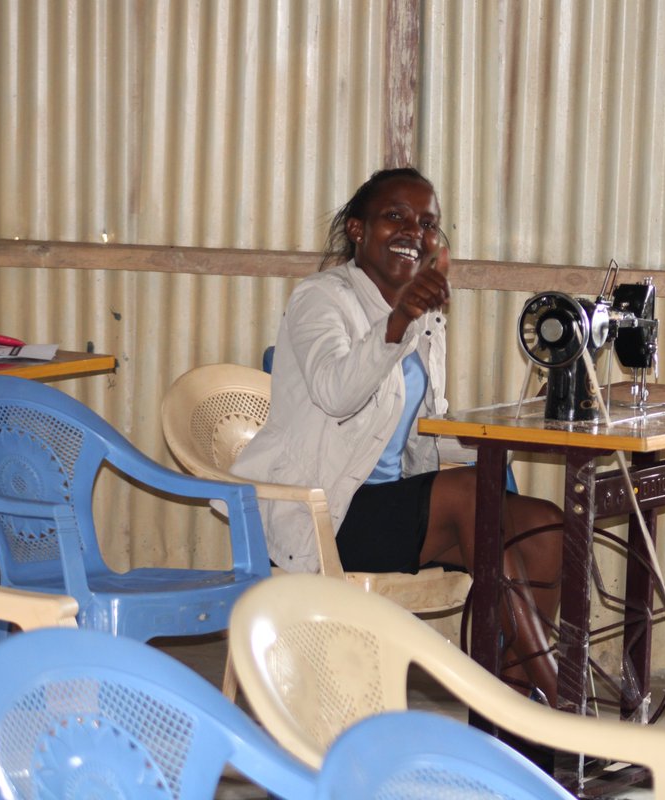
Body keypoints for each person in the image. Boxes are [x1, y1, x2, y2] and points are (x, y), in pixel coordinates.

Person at [232, 167, 563, 704]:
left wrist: (510, 430)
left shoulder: (423, 313)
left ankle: (518, 707)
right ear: (358, 230)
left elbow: (424, 427)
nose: (415, 231)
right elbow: (338, 393)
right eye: (396, 217)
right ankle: (560, 705)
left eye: (427, 222)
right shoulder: (321, 298)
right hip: (326, 512)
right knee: (467, 496)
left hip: (392, 506)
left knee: (544, 525)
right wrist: (398, 320)